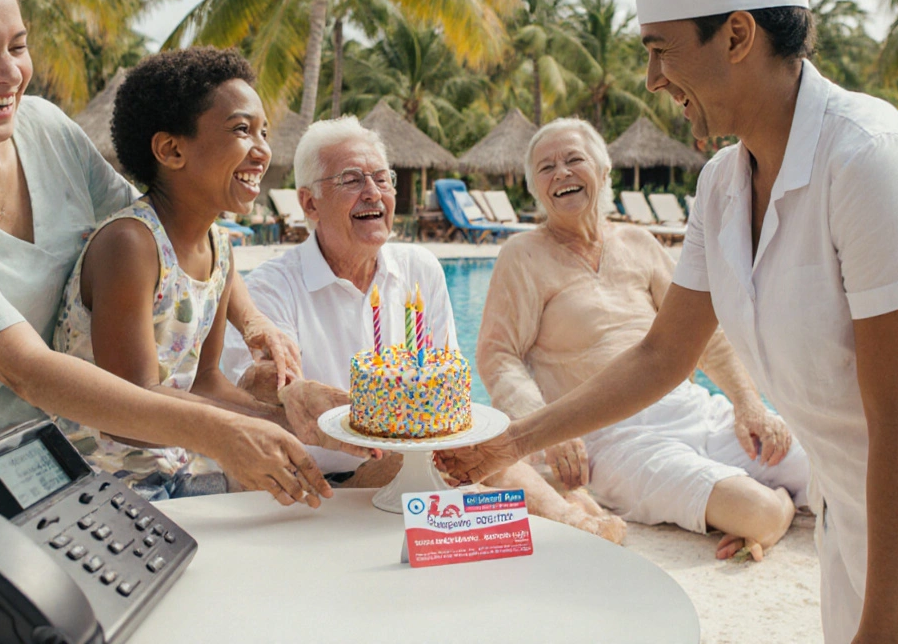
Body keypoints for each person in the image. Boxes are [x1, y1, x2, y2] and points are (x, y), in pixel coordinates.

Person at [441, 0, 898, 641]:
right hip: (862, 505)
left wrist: (883, 629)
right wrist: (512, 442)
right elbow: (662, 356)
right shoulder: (724, 182)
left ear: (736, 36)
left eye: (661, 49)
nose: (653, 77)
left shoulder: (870, 163)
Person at [0, 0, 328, 507]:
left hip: (63, 464)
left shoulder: (44, 128)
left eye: (18, 46)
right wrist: (221, 432)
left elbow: (172, 232)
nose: (9, 74)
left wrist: (256, 328)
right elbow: (28, 371)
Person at [221, 116, 627, 542]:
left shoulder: (419, 269)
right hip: (321, 489)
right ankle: (568, 518)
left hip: (414, 459)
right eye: (352, 180)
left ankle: (566, 517)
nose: (373, 193)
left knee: (473, 448)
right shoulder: (272, 286)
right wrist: (294, 392)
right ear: (309, 203)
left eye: (382, 178)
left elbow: (445, 388)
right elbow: (249, 387)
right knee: (435, 460)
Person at [479, 117, 809, 560]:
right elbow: (499, 355)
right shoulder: (522, 256)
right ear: (535, 188)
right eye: (545, 167)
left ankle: (756, 494)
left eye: (574, 159)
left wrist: (747, 403)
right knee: (759, 512)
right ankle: (776, 507)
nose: (561, 172)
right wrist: (546, 430)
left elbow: (700, 334)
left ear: (602, 170)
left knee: (832, 467)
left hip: (691, 411)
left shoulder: (638, 241)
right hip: (615, 438)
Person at [51, 47, 314, 500]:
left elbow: (205, 379)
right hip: (97, 494)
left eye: (264, 133)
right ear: (172, 150)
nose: (263, 150)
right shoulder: (131, 245)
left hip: (171, 478)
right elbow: (134, 407)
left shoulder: (220, 247)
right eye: (241, 130)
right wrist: (245, 431)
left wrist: (298, 422)